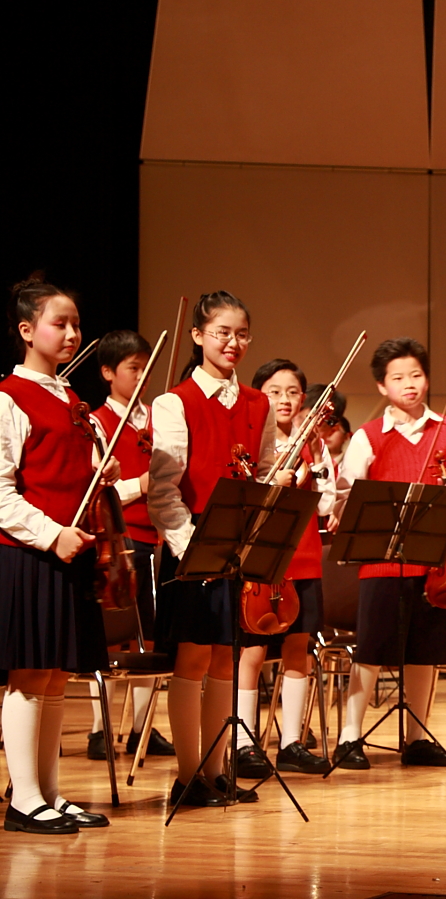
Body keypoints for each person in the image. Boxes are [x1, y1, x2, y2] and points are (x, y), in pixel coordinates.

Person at [147, 289, 277, 808]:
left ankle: (217, 772)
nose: (233, 343)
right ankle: (187, 776)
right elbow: (164, 490)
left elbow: (264, 471)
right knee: (194, 655)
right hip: (194, 541)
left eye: (242, 334)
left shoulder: (259, 403)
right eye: (222, 332)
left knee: (228, 656)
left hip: (240, 543)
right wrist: (192, 548)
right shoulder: (173, 402)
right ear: (198, 335)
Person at [0, 276, 110, 834]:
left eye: (76, 324)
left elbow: (64, 470)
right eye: (58, 323)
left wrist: (99, 471)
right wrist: (51, 534)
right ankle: (23, 800)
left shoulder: (70, 398)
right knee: (28, 675)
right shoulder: (8, 396)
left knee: (55, 677)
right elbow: (1, 492)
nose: (71, 333)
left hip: (71, 552)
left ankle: (47, 792)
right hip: (31, 553)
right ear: (27, 330)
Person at [330, 338, 446, 768]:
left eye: (416, 375)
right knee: (372, 649)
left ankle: (417, 737)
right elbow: (346, 494)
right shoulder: (367, 436)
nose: (409, 384)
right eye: (398, 378)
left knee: (425, 650)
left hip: (435, 558)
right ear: (381, 386)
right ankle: (350, 736)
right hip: (382, 557)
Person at [233, 357, 336, 778]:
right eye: (275, 391)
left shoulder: (311, 442)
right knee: (254, 648)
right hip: (262, 557)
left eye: (293, 392)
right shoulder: (250, 440)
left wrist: (313, 466)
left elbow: (326, 504)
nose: (285, 400)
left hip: (305, 554)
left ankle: (292, 742)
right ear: (259, 395)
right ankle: (244, 744)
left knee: (299, 646)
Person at [85, 328, 175, 763]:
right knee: (112, 638)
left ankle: (142, 727)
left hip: (158, 538)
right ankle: (99, 728)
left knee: (149, 639)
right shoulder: (97, 422)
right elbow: (98, 493)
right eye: (133, 368)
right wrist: (141, 483)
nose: (141, 377)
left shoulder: (157, 419)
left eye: (146, 369)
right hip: (120, 539)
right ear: (108, 372)